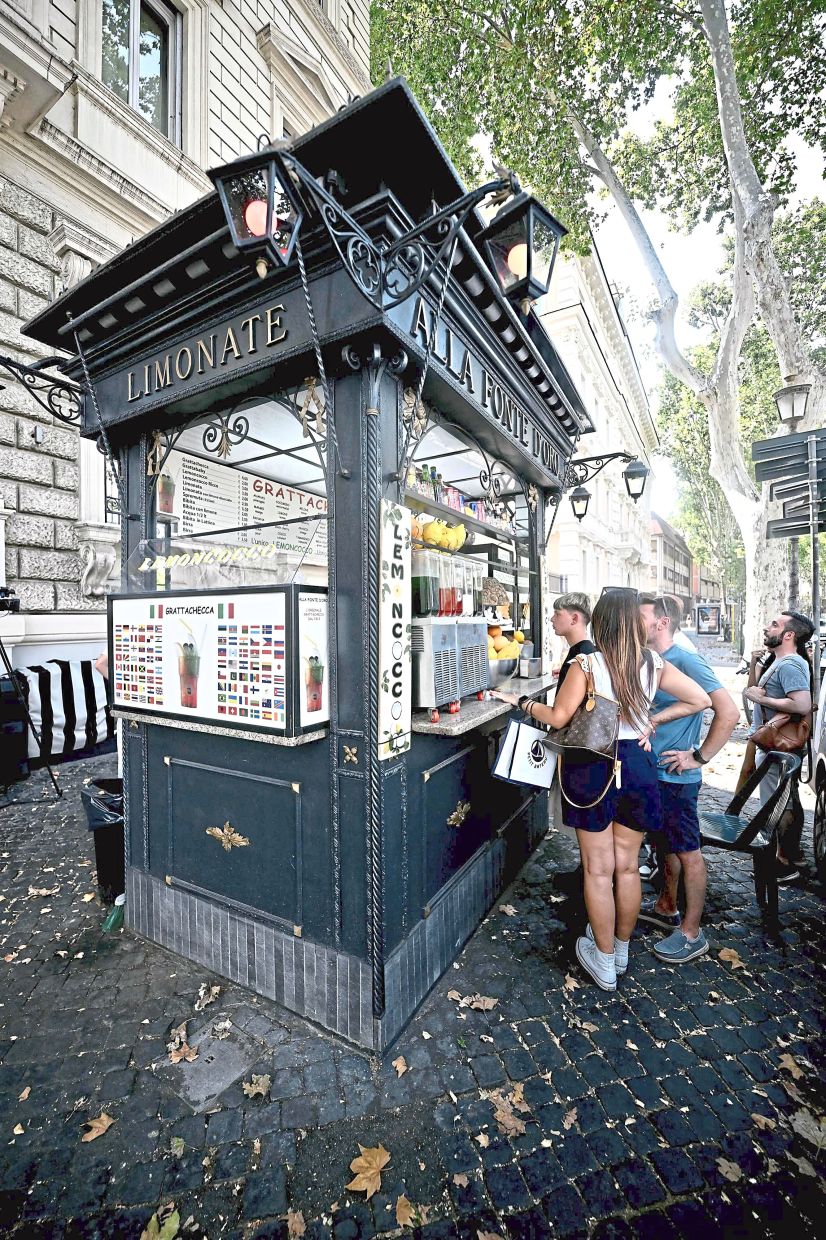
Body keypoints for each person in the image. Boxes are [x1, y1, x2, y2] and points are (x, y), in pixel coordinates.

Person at [492, 591, 711, 992]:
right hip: (638, 767)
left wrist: (522, 702)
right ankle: (622, 950)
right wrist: (651, 723)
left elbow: (559, 716)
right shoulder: (651, 662)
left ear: (602, 621)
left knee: (598, 868)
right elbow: (699, 699)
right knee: (627, 866)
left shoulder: (586, 663)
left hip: (594, 765)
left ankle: (603, 959)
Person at [637, 594, 739, 962]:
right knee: (665, 845)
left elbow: (728, 712)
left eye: (641, 616)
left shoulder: (685, 659)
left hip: (678, 777)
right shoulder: (655, 659)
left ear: (661, 623)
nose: (634, 622)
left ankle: (693, 933)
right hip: (657, 773)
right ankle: (667, 906)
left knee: (688, 851)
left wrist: (698, 757)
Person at [744, 610, 813, 881]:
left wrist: (763, 700)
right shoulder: (781, 661)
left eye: (774, 624)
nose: (766, 628)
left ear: (789, 635)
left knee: (777, 806)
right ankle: (784, 858)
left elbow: (802, 704)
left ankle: (783, 863)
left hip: (778, 748)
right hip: (774, 745)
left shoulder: (790, 665)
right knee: (780, 802)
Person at [551, 592, 596, 689]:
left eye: (557, 614)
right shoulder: (586, 650)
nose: (552, 619)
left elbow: (562, 705)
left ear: (574, 619)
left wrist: (522, 701)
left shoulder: (581, 656)